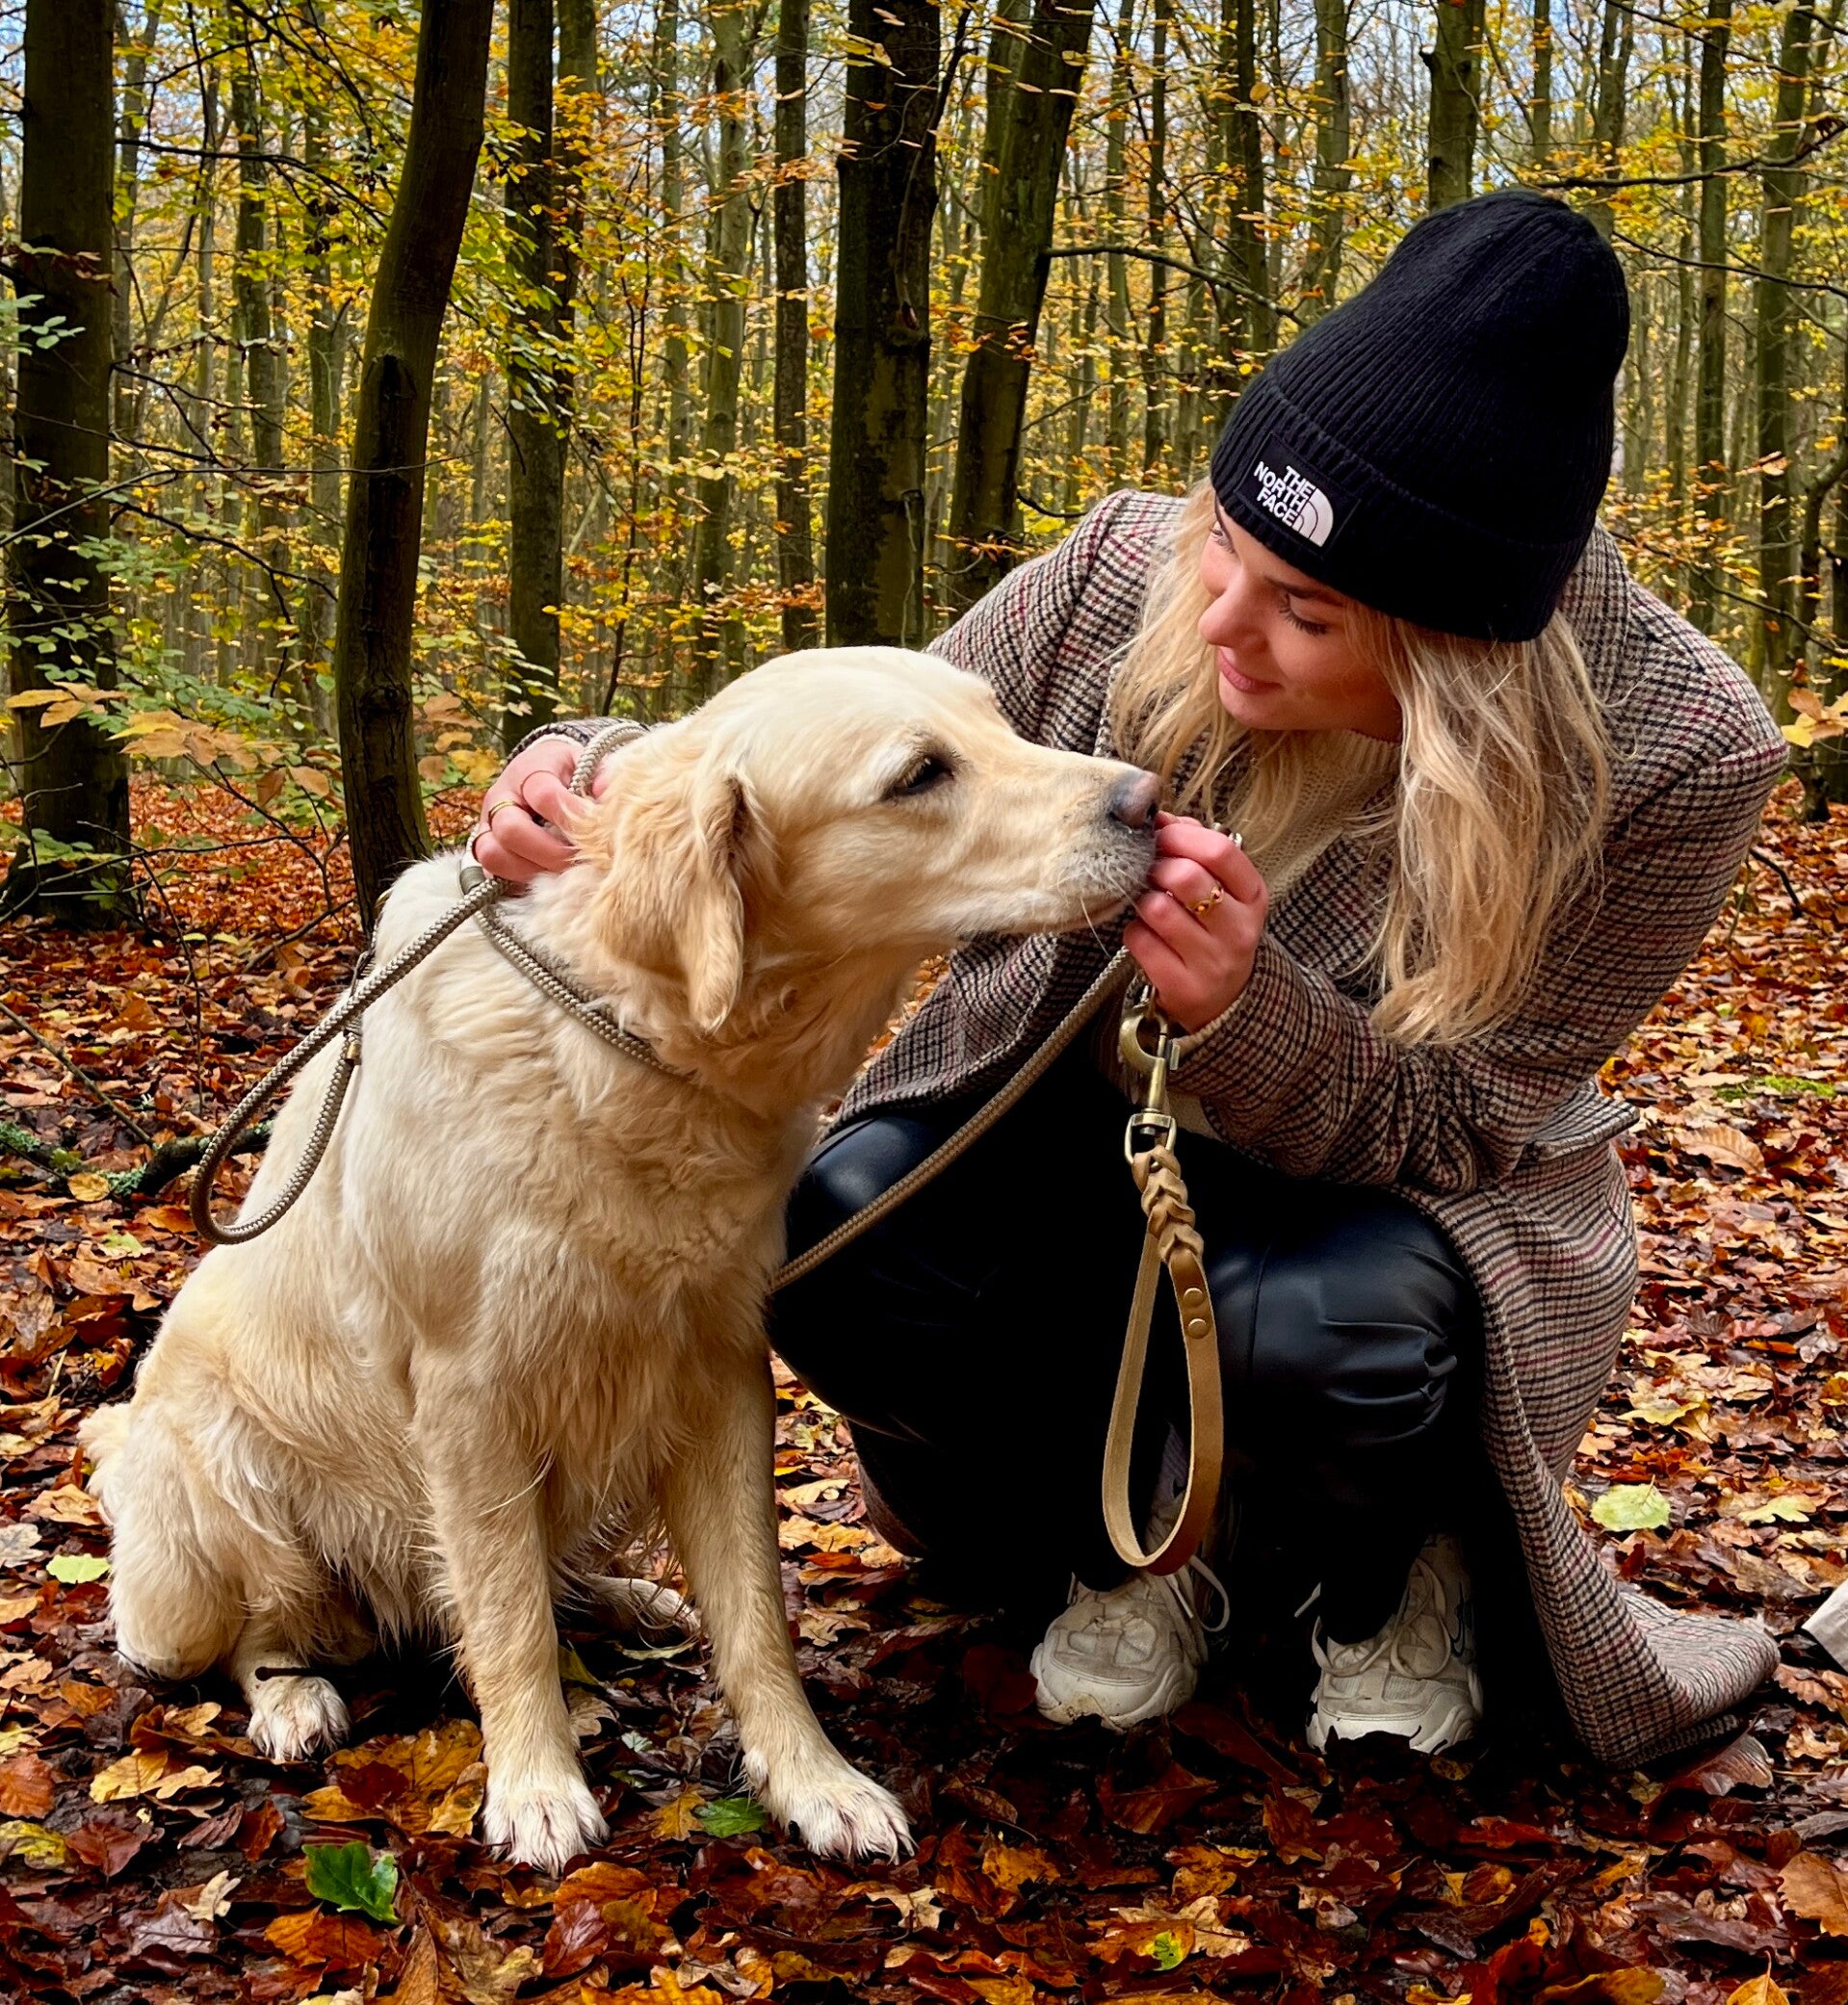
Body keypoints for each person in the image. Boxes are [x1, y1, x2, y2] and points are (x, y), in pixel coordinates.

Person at [474, 191, 1783, 1765]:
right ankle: (1131, 1542)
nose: (1223, 622)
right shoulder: (1115, 570)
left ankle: (1395, 1572)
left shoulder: (1680, 755)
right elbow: (843, 748)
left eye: (1305, 611)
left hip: (1397, 1221)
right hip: (1070, 1156)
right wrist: (597, 774)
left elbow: (1470, 1120)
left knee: (1324, 1323)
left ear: (1456, 658)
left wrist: (1252, 1018)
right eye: (1225, 547)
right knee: (836, 1237)